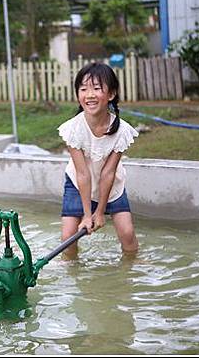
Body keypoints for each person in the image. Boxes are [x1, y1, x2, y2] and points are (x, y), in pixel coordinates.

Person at [57, 61, 139, 258]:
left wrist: (100, 212)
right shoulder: (73, 129)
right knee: (68, 236)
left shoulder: (121, 131)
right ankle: (71, 268)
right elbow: (83, 173)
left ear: (110, 94)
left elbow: (108, 173)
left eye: (96, 89)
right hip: (78, 184)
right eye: (83, 89)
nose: (89, 95)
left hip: (111, 186)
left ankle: (133, 265)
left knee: (127, 234)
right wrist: (87, 215)